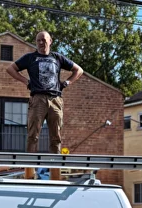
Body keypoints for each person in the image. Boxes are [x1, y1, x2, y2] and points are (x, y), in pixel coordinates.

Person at [6, 31, 84, 180]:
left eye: (44, 40)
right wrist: (25, 81)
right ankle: (30, 173)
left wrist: (67, 83)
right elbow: (10, 69)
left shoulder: (57, 58)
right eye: (38, 41)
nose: (41, 43)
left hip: (55, 99)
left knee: (56, 137)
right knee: (33, 135)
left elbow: (78, 70)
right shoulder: (30, 58)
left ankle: (55, 173)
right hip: (38, 99)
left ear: (50, 41)